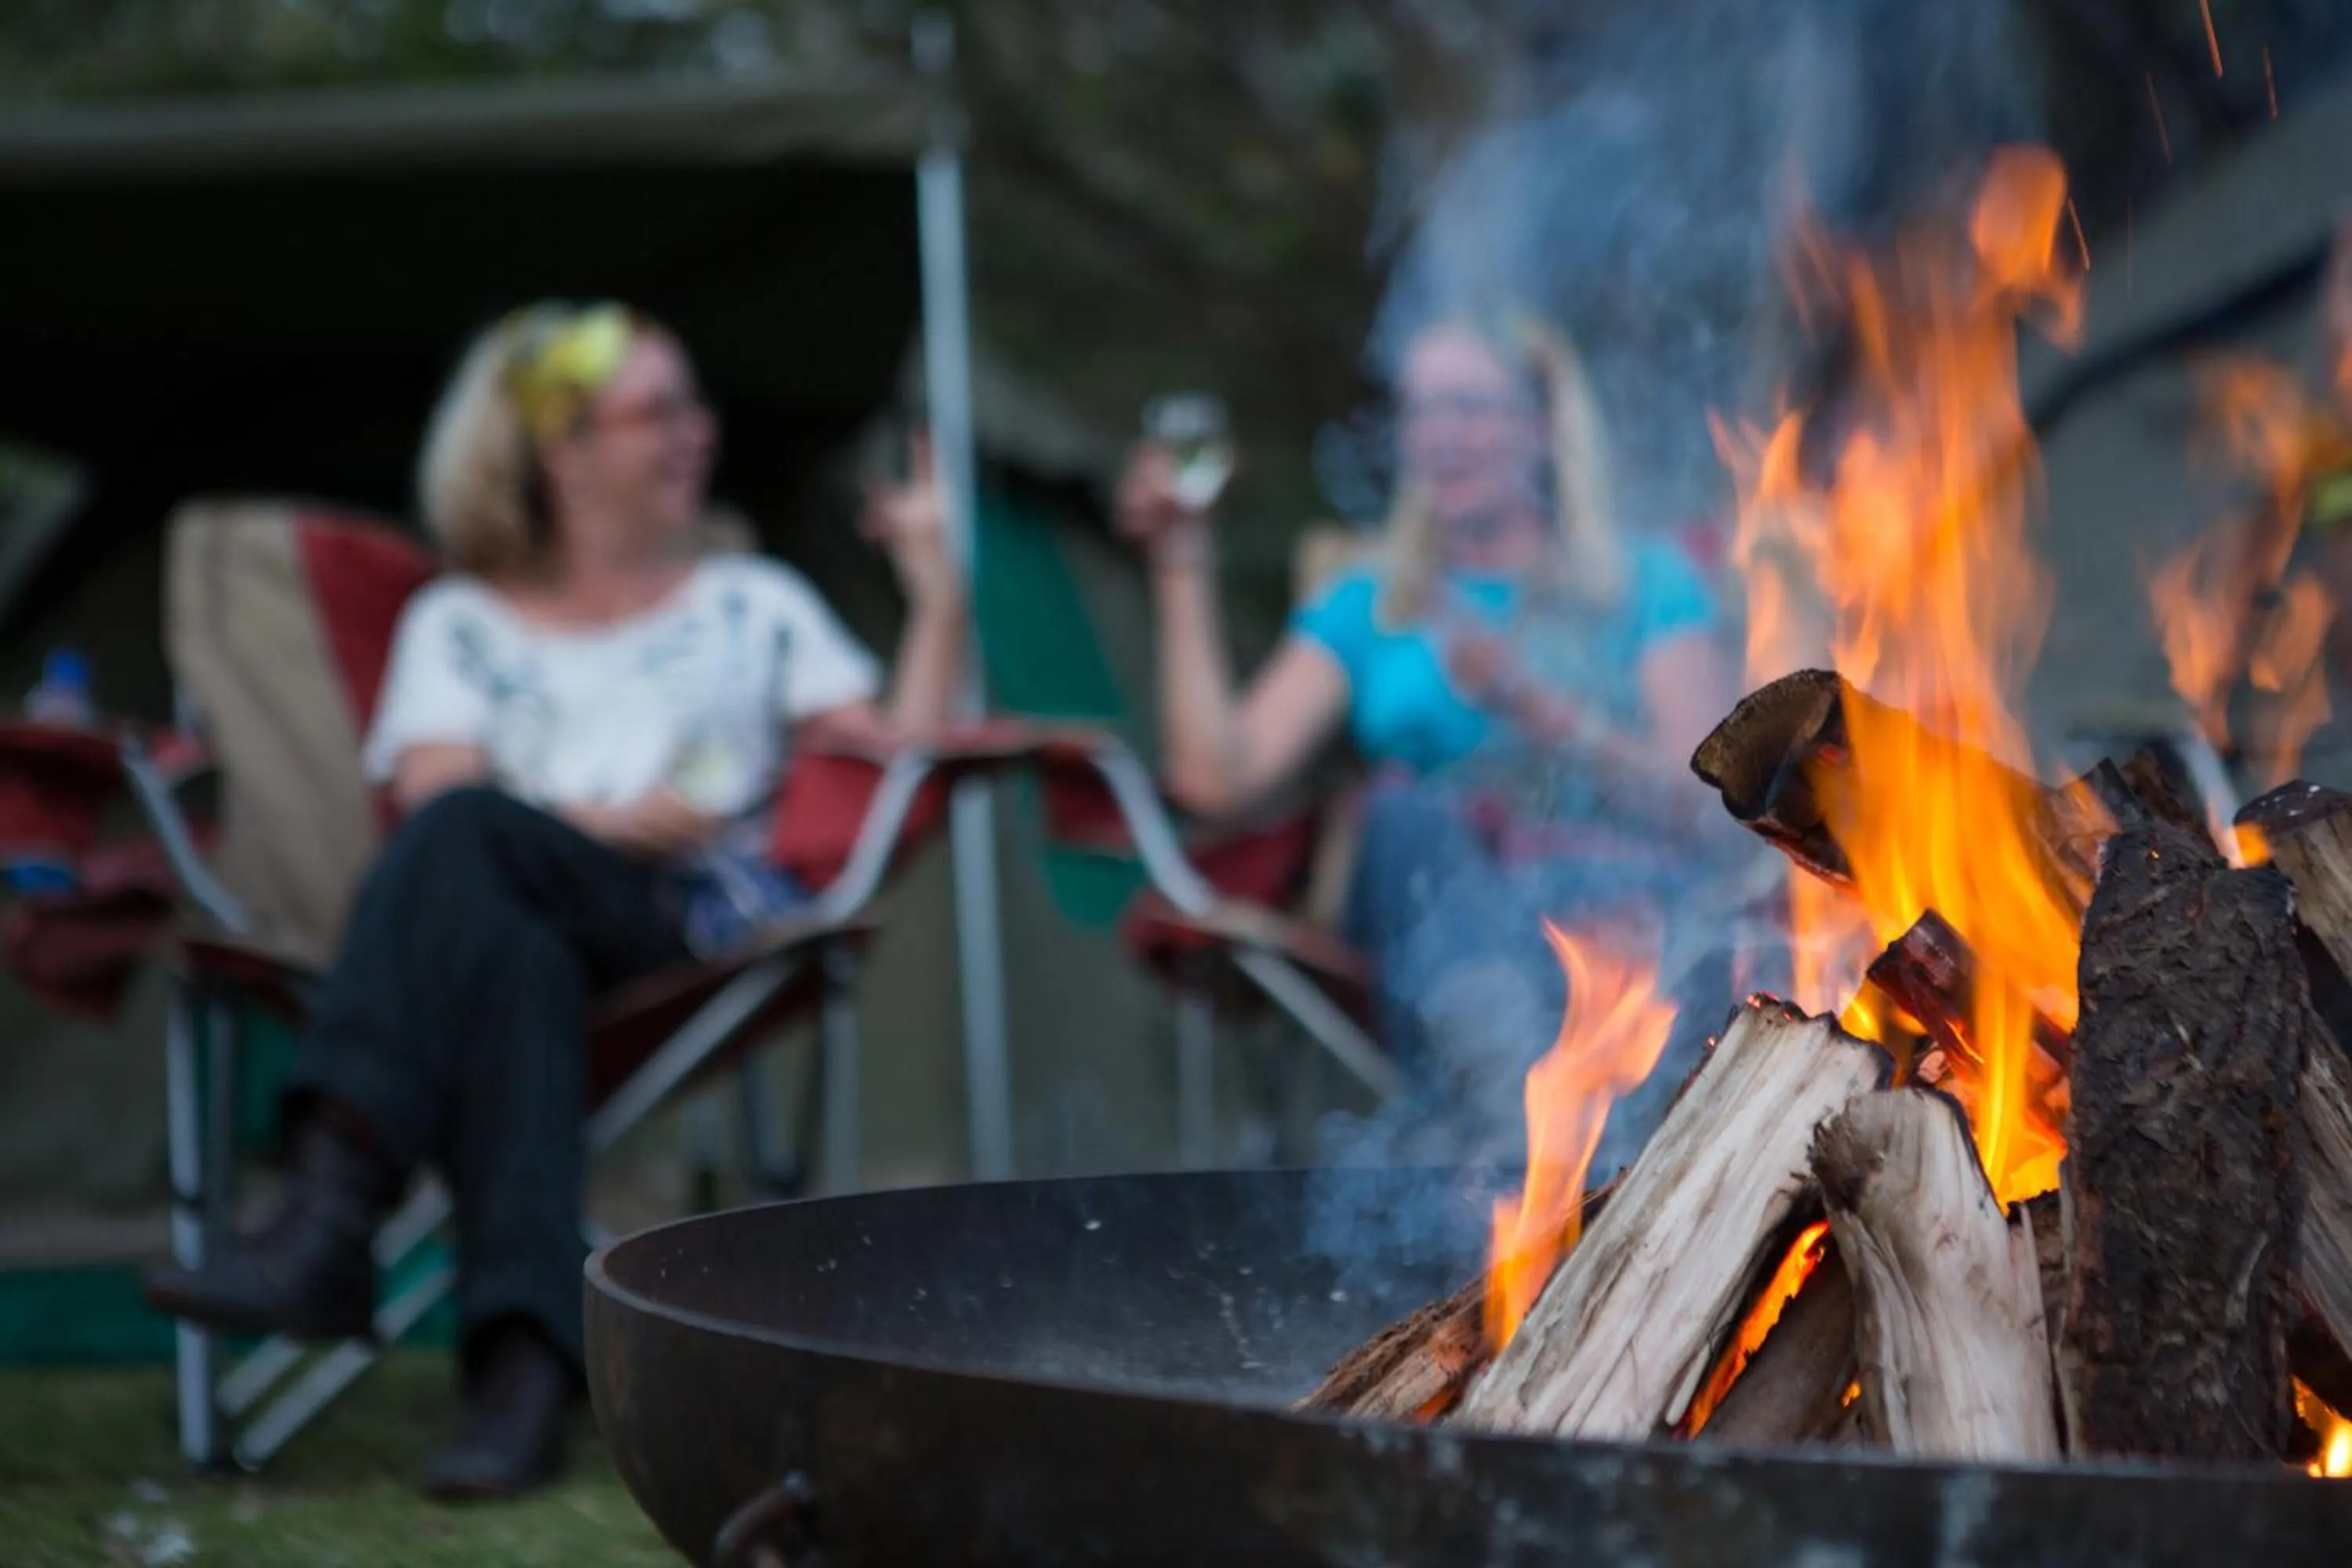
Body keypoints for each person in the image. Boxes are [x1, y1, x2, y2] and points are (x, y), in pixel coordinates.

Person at [144, 301, 962, 1499]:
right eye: (658, 412)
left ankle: (334, 1201)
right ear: (561, 453)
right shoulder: (458, 622)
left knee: (476, 838)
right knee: (505, 938)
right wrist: (598, 818)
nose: (696, 434)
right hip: (501, 944)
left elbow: (901, 765)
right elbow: (430, 799)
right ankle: (523, 1371)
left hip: (677, 932)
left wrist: (935, 592)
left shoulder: (756, 602)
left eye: (694, 406)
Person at [1118, 315, 1735, 1163]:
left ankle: (1524, 1145)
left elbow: (1714, 798)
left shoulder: (1645, 580)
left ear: (1542, 422)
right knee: (1405, 816)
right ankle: (1510, 1115)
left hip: (1621, 906)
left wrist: (1548, 715)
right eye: (1422, 411)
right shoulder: (1374, 599)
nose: (1441, 436)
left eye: (1471, 406)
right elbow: (1214, 777)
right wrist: (1180, 562)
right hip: (1440, 929)